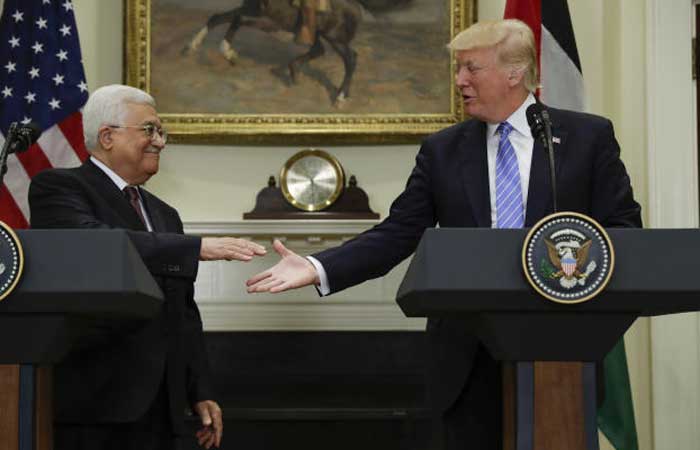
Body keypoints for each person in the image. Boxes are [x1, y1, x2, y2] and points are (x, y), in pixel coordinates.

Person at [246, 19, 642, 450]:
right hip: (466, 359)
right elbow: (398, 233)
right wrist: (318, 265)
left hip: (561, 352)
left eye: (471, 68)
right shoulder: (443, 149)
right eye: (458, 69)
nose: (459, 81)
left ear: (514, 72)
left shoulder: (587, 137)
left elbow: (622, 230)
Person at [29, 84, 267, 450]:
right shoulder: (59, 187)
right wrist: (197, 247)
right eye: (149, 130)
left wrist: (199, 389)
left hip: (163, 407)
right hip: (95, 404)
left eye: (161, 132)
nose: (160, 142)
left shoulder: (163, 213)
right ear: (107, 136)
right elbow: (94, 244)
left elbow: (183, 311)